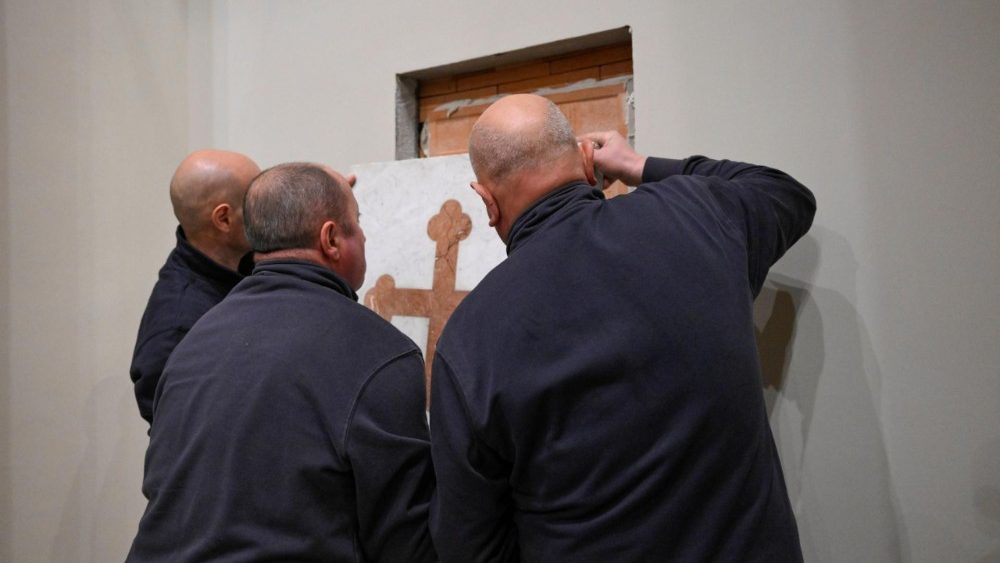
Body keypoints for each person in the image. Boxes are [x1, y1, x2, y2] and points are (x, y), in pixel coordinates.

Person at [428, 94, 816, 562]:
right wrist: (637, 164)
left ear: (487, 203)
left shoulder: (469, 340)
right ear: (586, 161)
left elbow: (469, 546)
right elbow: (784, 193)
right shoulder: (698, 216)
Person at [127, 162, 437, 562]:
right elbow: (403, 539)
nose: (363, 234)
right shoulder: (382, 354)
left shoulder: (193, 339)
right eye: (356, 223)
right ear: (330, 239)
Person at [129, 149, 260, 425]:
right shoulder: (177, 328)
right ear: (223, 219)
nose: (269, 208)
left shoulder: (244, 263)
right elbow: (191, 437)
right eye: (257, 201)